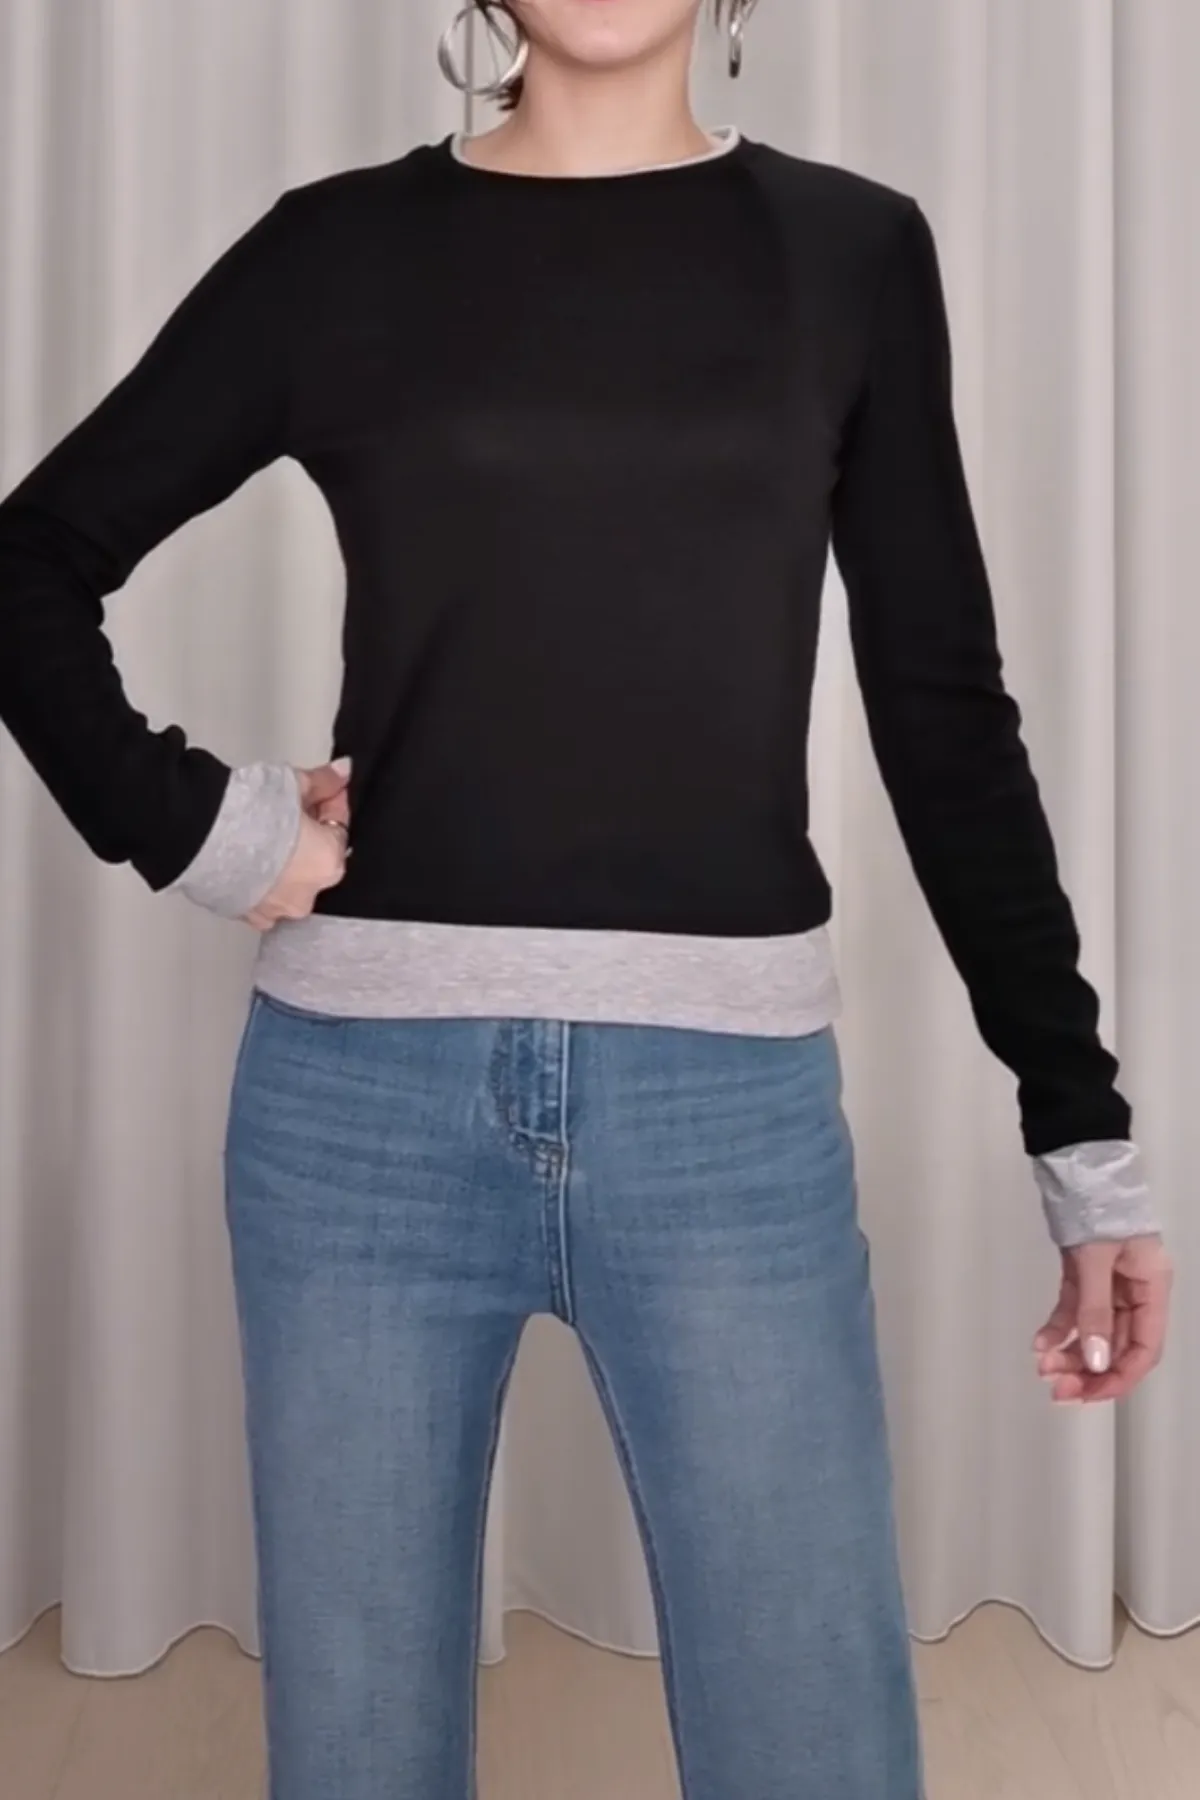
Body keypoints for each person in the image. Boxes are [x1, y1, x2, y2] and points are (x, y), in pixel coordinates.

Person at [0, 1, 1174, 1795]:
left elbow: (942, 710)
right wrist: (207, 831)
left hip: (726, 1117)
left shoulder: (851, 252)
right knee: (360, 1760)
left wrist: (1079, 1132)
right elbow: (29, 561)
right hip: (356, 1119)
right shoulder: (338, 251)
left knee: (817, 1751)